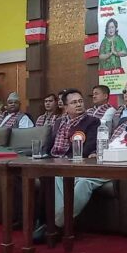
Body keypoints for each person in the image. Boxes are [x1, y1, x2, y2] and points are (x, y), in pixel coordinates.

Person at [44, 89, 102, 229]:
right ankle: (58, 224)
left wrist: (65, 160)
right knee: (49, 176)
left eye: (80, 101)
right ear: (65, 107)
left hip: (73, 163)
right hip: (54, 161)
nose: (79, 104)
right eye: (74, 102)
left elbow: (88, 148)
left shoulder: (92, 122)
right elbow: (49, 145)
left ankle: (55, 224)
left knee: (59, 176)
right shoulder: (58, 122)